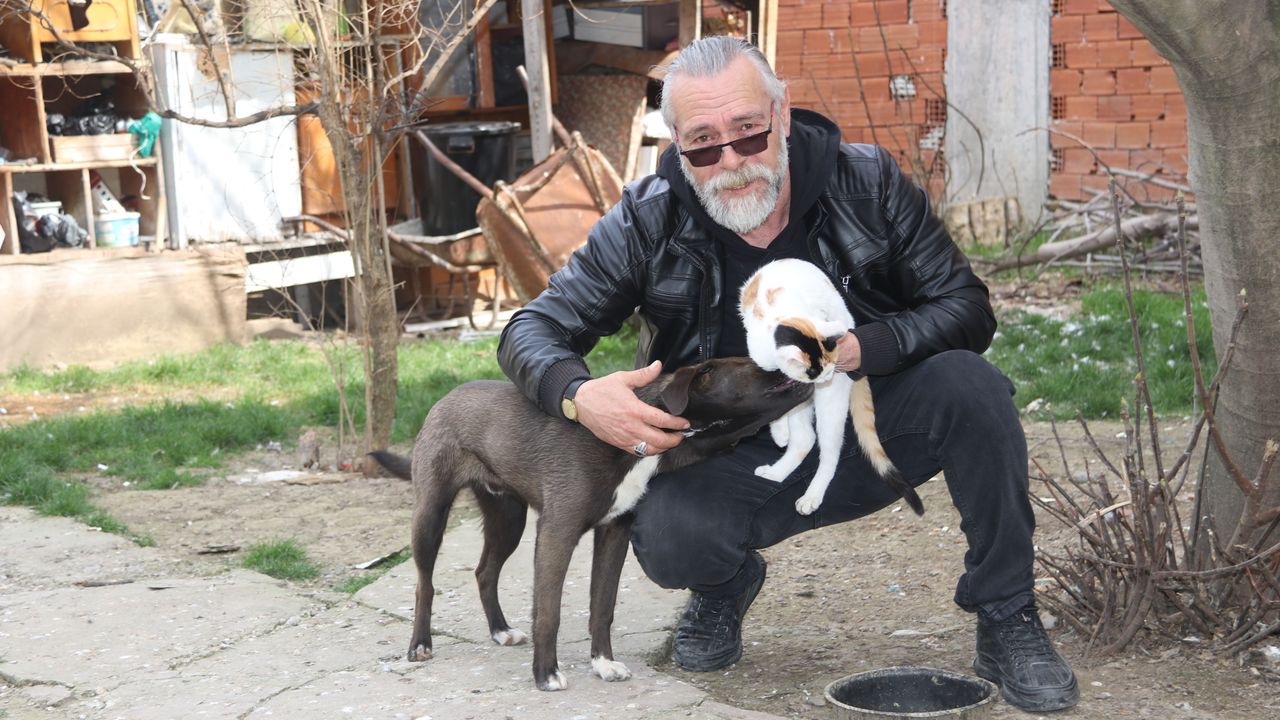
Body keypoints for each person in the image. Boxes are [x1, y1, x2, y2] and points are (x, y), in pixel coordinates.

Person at [497, 36, 1078, 712]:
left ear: (783, 112)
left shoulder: (867, 182)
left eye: (749, 132)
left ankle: (1007, 615)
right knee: (667, 534)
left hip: (870, 421)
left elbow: (966, 308)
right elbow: (529, 330)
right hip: (728, 451)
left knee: (971, 388)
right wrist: (578, 395)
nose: (732, 162)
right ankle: (724, 585)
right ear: (677, 145)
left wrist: (863, 346)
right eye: (704, 144)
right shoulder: (647, 218)